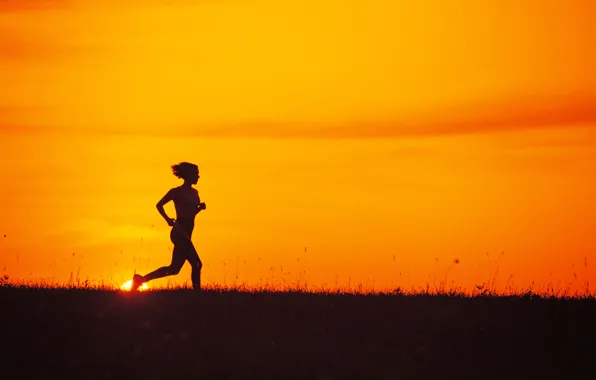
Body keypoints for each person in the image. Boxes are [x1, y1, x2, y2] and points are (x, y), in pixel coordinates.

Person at [131, 162, 206, 291]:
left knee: (174, 269)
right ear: (188, 175)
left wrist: (199, 209)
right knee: (197, 264)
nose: (198, 177)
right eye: (196, 174)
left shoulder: (195, 193)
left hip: (187, 232)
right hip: (179, 231)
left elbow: (190, 214)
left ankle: (140, 279)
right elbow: (159, 205)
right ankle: (198, 294)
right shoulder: (176, 191)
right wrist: (167, 219)